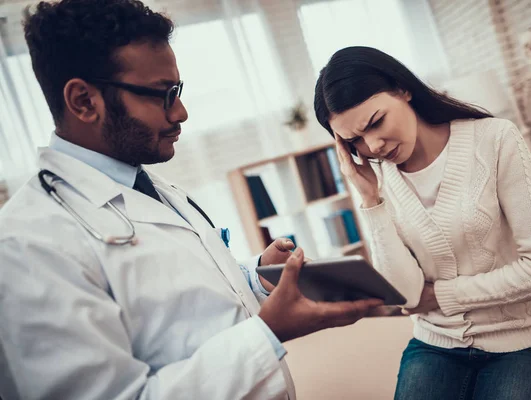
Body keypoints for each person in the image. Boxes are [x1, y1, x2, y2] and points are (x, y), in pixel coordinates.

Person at [0, 3, 384, 399]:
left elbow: (184, 299)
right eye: (163, 95)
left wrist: (255, 274)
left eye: (177, 91)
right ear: (83, 101)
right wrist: (269, 332)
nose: (181, 112)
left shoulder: (147, 184)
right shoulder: (27, 245)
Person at [314, 46, 531, 400]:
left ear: (403, 89)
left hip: (525, 346)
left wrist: (442, 295)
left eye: (376, 122)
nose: (373, 146)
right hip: (434, 346)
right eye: (354, 141)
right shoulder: (378, 180)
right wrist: (370, 200)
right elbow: (406, 295)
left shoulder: (495, 139)